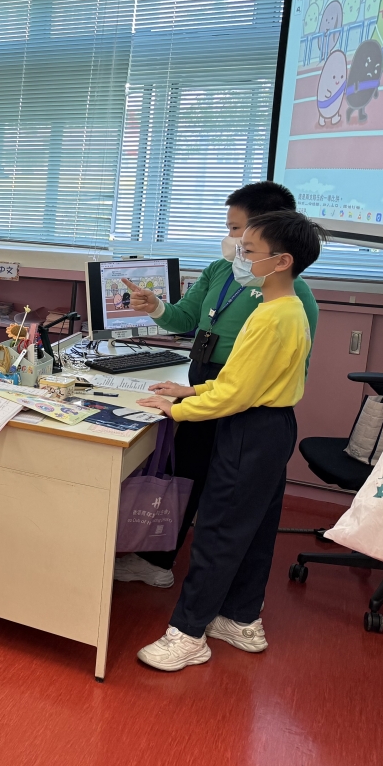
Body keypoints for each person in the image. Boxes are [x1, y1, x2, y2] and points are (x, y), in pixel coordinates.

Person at [134, 210, 324, 672]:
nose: (239, 257)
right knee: (254, 528)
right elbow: (246, 377)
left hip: (250, 429)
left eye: (248, 250)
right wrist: (191, 390)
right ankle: (240, 619)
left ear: (282, 261)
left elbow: (237, 394)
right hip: (273, 426)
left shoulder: (271, 317)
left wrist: (177, 410)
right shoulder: (284, 309)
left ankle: (188, 634)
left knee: (218, 532)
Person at [113, 182, 319, 589]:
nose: (230, 238)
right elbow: (185, 319)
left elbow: (291, 367)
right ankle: (158, 560)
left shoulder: (291, 297)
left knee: (230, 496)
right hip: (204, 382)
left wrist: (204, 398)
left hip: (243, 397)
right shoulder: (220, 270)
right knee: (186, 472)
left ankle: (226, 592)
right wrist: (156, 307)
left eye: (237, 229)